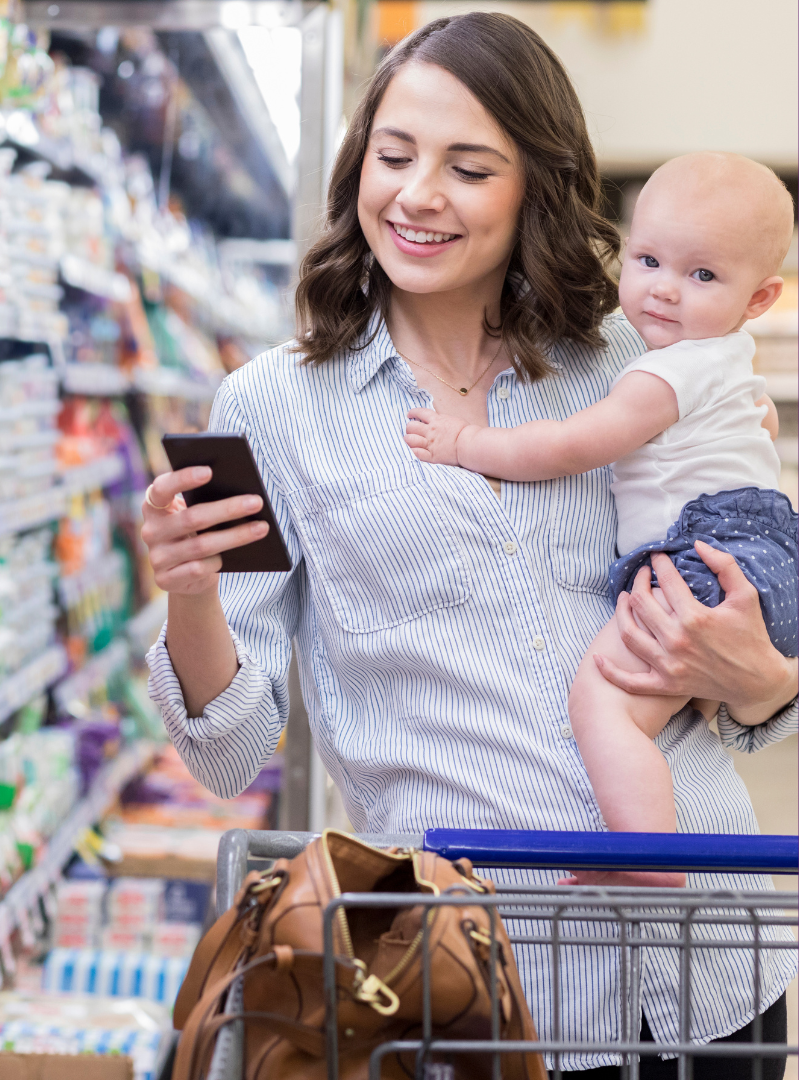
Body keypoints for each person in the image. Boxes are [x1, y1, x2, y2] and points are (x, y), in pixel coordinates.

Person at [140, 13, 798, 1078]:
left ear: (534, 185)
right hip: (479, 984)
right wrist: (192, 594)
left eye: (469, 167)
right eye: (394, 157)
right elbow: (227, 753)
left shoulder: (631, 361)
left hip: (712, 955)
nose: (417, 195)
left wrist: (768, 681)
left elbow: (748, 655)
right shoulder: (272, 407)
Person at [402, 152, 797, 886]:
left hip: (707, 557)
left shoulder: (666, 371)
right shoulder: (723, 361)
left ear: (759, 299)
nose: (664, 291)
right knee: (650, 715)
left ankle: (646, 861)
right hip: (755, 554)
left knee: (602, 705)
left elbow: (571, 444)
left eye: (703, 276)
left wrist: (466, 443)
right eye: (648, 259)